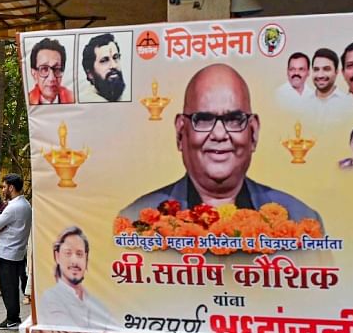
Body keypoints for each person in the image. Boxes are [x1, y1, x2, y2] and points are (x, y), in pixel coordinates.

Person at [120, 63, 323, 225]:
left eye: (234, 119)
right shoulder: (136, 222)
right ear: (181, 132)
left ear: (253, 132)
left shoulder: (300, 221)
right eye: (204, 119)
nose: (219, 134)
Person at [37, 226, 117, 331]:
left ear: (86, 257)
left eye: (79, 254)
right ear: (57, 256)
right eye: (68, 253)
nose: (74, 261)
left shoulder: (96, 303)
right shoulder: (50, 298)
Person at [0, 174, 33, 330]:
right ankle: (11, 316)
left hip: (7, 252)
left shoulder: (14, 207)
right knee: (12, 286)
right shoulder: (25, 204)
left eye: (4, 186)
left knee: (8, 287)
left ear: (11, 188)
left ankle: (12, 318)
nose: (2, 190)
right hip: (17, 252)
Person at [301, 48, 353, 124]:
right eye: (316, 69)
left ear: (336, 72)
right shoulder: (303, 104)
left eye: (326, 69)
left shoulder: (351, 105)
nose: (320, 75)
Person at [78, 32, 129, 103]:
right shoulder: (85, 101)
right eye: (104, 60)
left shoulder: (130, 96)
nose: (114, 65)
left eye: (115, 57)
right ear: (90, 74)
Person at [26, 37, 75, 105]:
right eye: (44, 69)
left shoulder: (73, 98)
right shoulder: (27, 102)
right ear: (34, 74)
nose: (51, 78)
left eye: (57, 69)